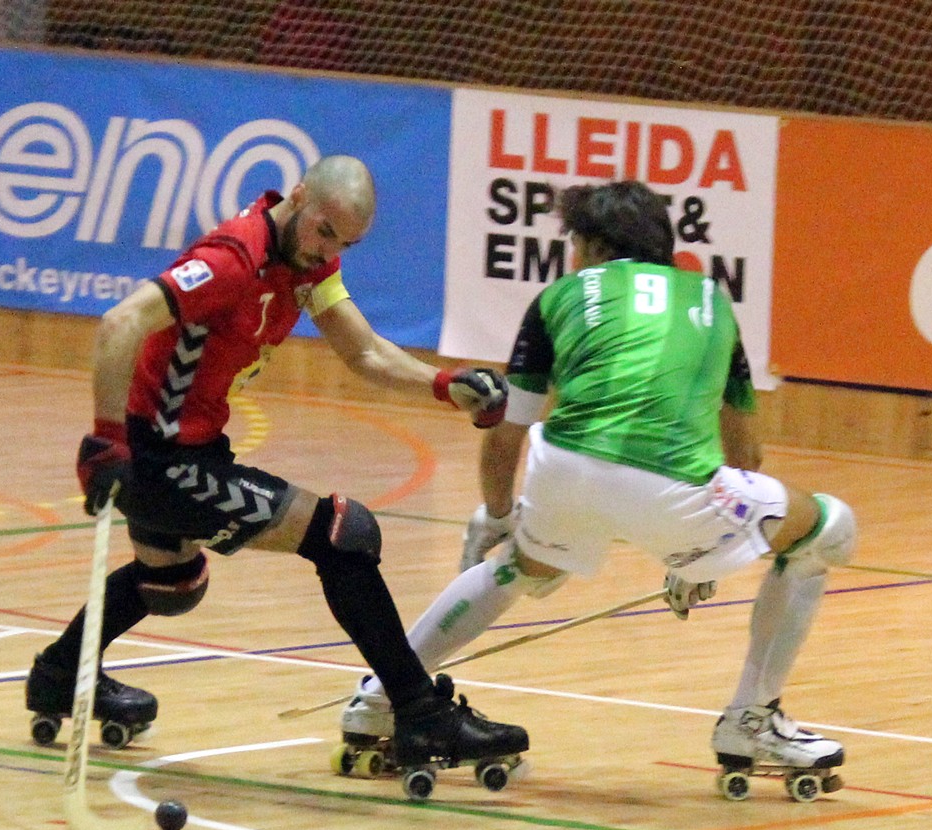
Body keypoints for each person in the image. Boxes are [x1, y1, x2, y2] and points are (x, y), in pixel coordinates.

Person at [339, 179, 855, 798]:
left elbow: (507, 431)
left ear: (595, 245)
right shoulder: (711, 301)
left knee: (517, 568)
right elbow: (746, 452)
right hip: (674, 490)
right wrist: (703, 555)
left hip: (563, 471)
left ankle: (382, 698)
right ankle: (752, 720)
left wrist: (499, 516)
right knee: (830, 528)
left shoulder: (558, 297)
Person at [28, 155, 531, 778]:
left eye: (344, 244)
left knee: (174, 583)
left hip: (193, 449)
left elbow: (365, 352)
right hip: (161, 458)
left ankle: (58, 675)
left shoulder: (306, 265)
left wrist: (444, 384)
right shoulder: (232, 260)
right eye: (325, 232)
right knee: (343, 535)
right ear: (298, 197)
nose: (329, 252)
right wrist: (106, 443)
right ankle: (420, 712)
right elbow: (120, 322)